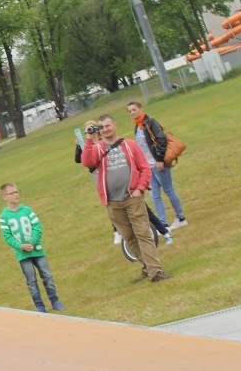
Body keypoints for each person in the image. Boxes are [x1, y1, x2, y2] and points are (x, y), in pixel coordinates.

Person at [81, 114, 168, 282]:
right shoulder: (98, 148)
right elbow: (86, 161)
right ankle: (147, 266)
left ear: (115, 125)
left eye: (108, 125)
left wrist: (140, 189)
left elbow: (144, 168)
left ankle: (156, 271)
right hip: (113, 202)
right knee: (129, 237)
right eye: (102, 127)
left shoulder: (129, 145)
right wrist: (89, 137)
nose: (105, 130)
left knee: (143, 234)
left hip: (132, 198)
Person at [75, 121, 172, 246]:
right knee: (116, 212)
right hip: (106, 185)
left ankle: (164, 231)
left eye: (93, 128)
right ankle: (120, 233)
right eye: (87, 130)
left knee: (144, 210)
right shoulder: (88, 145)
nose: (90, 131)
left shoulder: (103, 143)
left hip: (125, 185)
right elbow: (80, 160)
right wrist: (79, 146)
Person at [0, 182, 64, 313]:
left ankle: (55, 301)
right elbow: (7, 237)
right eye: (12, 193)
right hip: (23, 255)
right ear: (5, 197)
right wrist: (20, 246)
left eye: (17, 192)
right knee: (31, 281)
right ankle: (39, 305)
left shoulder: (27, 210)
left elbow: (37, 228)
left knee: (47, 276)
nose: (16, 195)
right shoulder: (4, 216)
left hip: (38, 251)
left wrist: (32, 243)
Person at [126, 101, 188, 230]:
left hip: (158, 164)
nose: (132, 112)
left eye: (134, 109)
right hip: (148, 166)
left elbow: (161, 139)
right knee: (154, 194)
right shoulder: (137, 126)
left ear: (140, 109)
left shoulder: (150, 122)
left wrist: (159, 159)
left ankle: (181, 218)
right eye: (130, 111)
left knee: (168, 190)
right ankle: (162, 224)